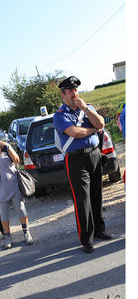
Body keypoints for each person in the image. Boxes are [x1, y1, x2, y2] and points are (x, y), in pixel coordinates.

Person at [53, 76, 113, 253]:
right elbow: (75, 132)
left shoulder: (87, 108)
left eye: (76, 90)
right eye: (70, 91)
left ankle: (100, 230)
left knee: (96, 194)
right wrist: (93, 130)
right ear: (63, 95)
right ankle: (86, 238)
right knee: (82, 200)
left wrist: (85, 109)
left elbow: (100, 122)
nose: (74, 93)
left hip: (94, 154)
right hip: (76, 159)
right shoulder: (60, 115)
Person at [0, 128, 33, 249]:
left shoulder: (5, 147)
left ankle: (26, 232)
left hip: (12, 183)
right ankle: (7, 236)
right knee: (3, 214)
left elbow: (17, 160)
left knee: (20, 209)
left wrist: (7, 147)